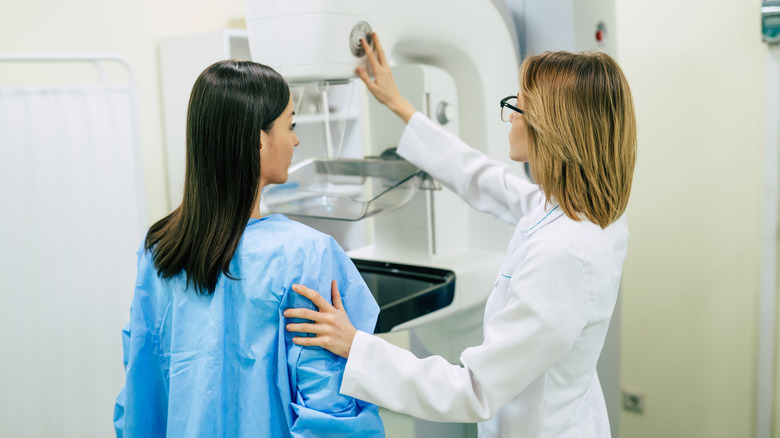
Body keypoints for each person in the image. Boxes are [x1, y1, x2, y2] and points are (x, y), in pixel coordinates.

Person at [284, 34, 636, 438]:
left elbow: (472, 389)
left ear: (550, 128)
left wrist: (355, 346)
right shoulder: (589, 209)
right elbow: (488, 181)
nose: (511, 115)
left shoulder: (562, 252)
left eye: (517, 106)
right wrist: (401, 106)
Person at [113, 60, 384, 438]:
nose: (295, 140)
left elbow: (141, 395)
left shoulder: (159, 251)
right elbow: (328, 406)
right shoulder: (307, 255)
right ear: (259, 139)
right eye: (290, 126)